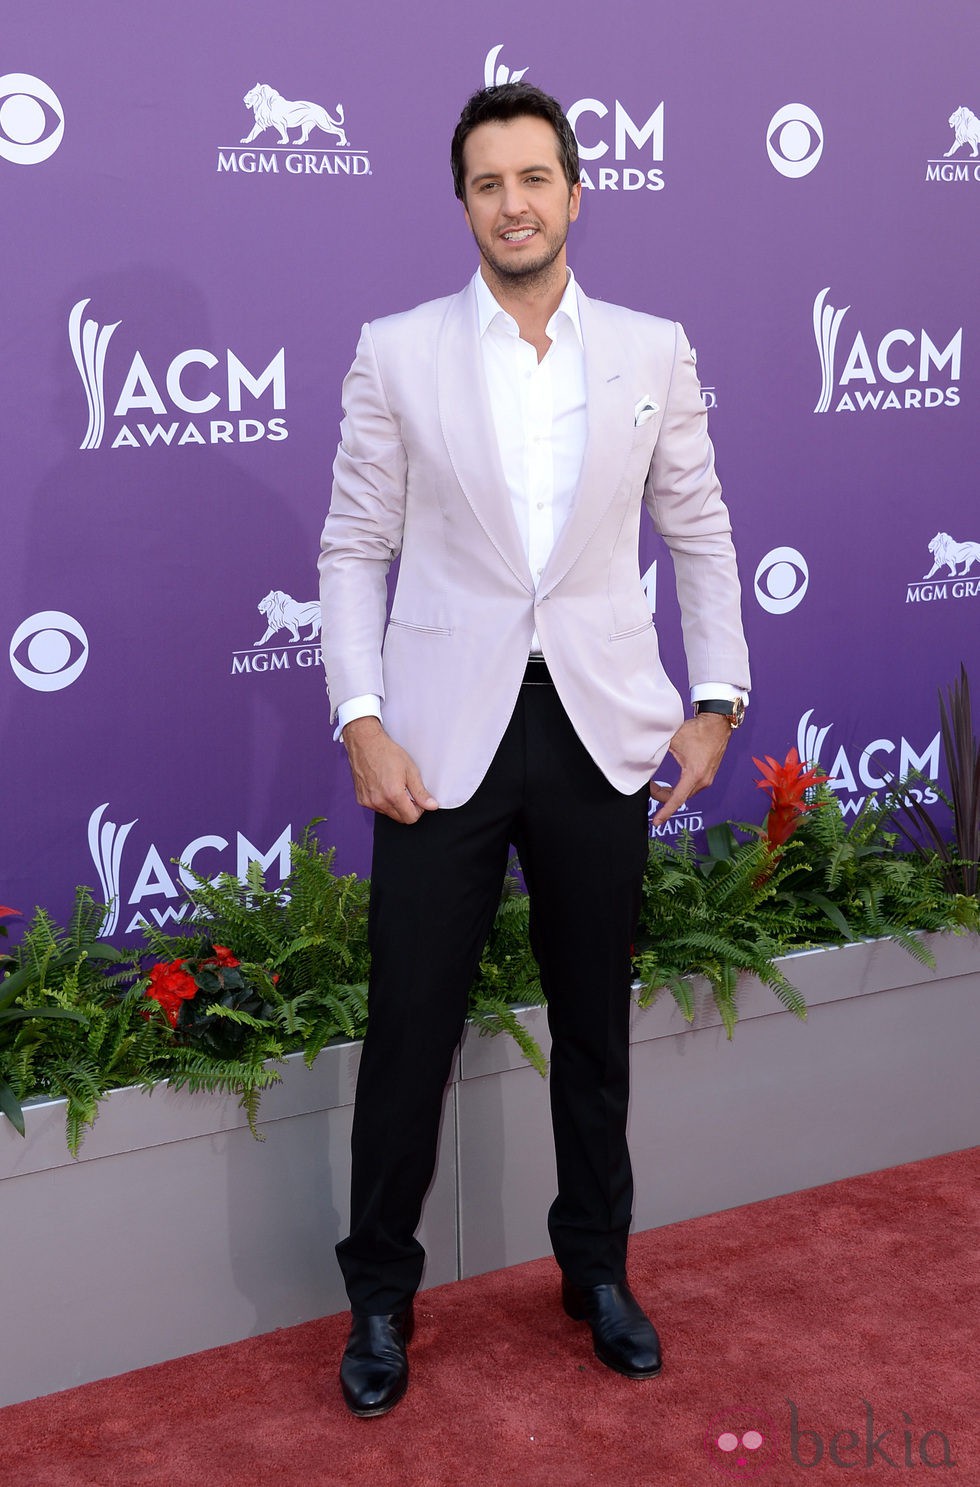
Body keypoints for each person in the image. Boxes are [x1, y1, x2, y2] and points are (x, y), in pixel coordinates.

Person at [318, 81, 750, 1418]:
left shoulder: (650, 348)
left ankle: (597, 1270)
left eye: (534, 178)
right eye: (487, 183)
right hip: (441, 741)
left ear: (576, 190)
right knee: (408, 1033)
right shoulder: (396, 353)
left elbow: (700, 527)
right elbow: (352, 551)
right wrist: (361, 717)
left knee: (595, 1030)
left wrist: (717, 696)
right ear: (464, 205)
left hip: (601, 735)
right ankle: (382, 1296)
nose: (513, 202)